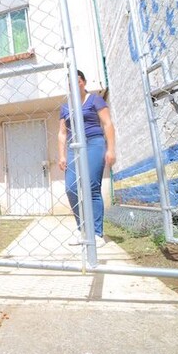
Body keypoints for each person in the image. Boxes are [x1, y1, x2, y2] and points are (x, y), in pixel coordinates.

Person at [58, 70, 116, 247]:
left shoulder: (95, 99)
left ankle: (97, 233)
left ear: (83, 82)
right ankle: (83, 230)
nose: (75, 85)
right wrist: (61, 155)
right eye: (71, 83)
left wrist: (111, 149)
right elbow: (62, 133)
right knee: (71, 188)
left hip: (93, 143)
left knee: (91, 187)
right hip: (73, 147)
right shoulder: (65, 107)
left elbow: (107, 124)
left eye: (78, 82)